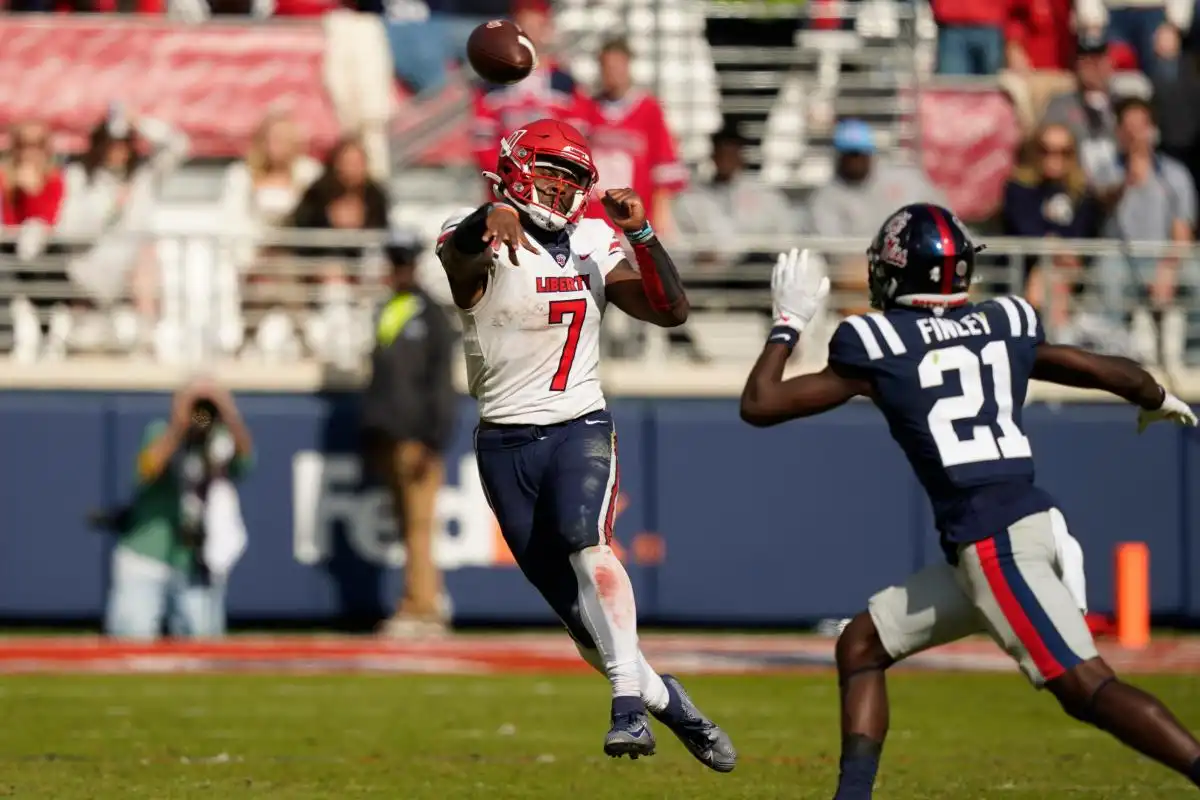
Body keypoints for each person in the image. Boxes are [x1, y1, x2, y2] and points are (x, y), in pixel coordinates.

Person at [739, 204, 1200, 800]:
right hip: (996, 538)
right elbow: (1089, 367)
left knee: (1086, 688)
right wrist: (1155, 393)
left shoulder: (877, 343)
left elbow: (761, 404)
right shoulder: (1004, 322)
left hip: (997, 546)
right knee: (861, 645)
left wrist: (788, 322)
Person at [435, 117, 736, 769]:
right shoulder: (477, 230)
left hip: (578, 423)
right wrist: (487, 219)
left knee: (585, 540)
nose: (558, 189)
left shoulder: (594, 239)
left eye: (571, 179)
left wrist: (642, 233)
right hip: (504, 441)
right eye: (547, 174)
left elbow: (671, 310)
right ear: (515, 170)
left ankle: (627, 708)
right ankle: (671, 705)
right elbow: (459, 259)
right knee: (580, 620)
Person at [361, 229, 457, 638]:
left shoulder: (432, 315)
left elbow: (440, 384)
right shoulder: (388, 310)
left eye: (403, 263)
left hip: (416, 437)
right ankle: (418, 599)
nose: (398, 270)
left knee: (419, 525)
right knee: (408, 527)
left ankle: (423, 607)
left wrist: (433, 439)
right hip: (388, 437)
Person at [105, 379, 254, 640]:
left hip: (195, 561)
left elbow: (246, 462)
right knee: (130, 644)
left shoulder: (219, 440)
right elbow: (146, 470)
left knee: (201, 646)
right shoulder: (160, 431)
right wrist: (179, 424)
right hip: (147, 556)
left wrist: (227, 411)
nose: (201, 413)